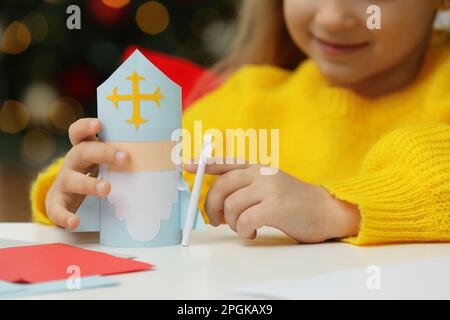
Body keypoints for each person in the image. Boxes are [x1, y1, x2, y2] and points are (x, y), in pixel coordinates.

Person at [32, 0, 450, 245]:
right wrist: (84, 194)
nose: (331, 17)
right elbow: (153, 173)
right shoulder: (248, 100)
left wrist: (334, 208)